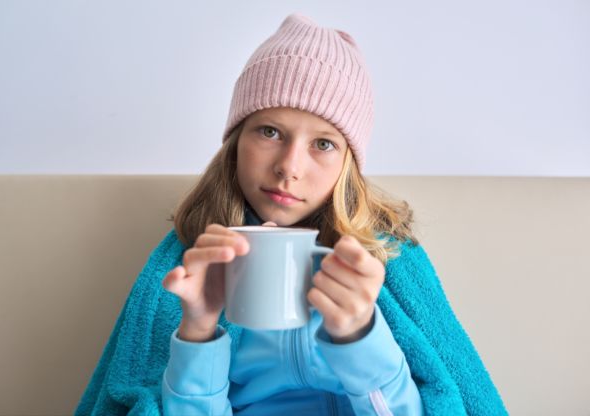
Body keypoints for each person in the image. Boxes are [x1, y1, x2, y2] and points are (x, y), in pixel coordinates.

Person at [76, 13, 507, 416]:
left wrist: (361, 334)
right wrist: (199, 333)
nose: (289, 167)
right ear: (235, 142)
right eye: (269, 131)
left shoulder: (387, 258)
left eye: (323, 144)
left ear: (347, 165)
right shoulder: (189, 263)